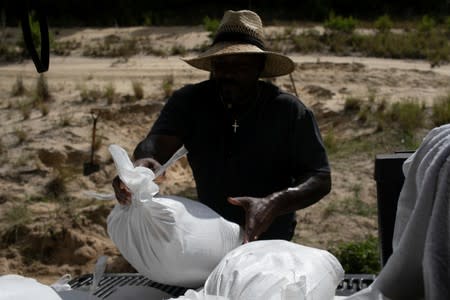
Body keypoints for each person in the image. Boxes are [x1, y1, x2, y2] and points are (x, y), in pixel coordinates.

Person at [113, 9, 331, 243]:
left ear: (259, 67)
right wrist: (142, 165)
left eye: (240, 67)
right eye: (222, 64)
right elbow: (157, 144)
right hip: (209, 234)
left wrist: (273, 204)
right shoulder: (190, 102)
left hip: (271, 237)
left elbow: (319, 177)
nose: (229, 74)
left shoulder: (288, 111)